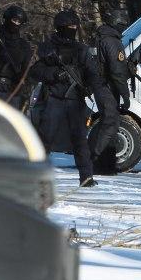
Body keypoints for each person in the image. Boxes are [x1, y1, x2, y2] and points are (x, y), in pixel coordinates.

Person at [31, 10, 102, 186]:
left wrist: (91, 87)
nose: (73, 29)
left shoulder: (81, 50)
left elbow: (93, 73)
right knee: (45, 139)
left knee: (80, 140)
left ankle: (86, 177)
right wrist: (54, 74)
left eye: (74, 26)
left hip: (75, 99)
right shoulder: (49, 48)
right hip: (53, 98)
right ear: (60, 27)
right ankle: (37, 175)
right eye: (69, 26)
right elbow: (35, 71)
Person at [88, 5, 132, 176]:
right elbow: (117, 71)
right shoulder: (112, 42)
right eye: (123, 24)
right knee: (110, 124)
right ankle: (98, 162)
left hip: (101, 86)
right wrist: (125, 95)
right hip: (107, 88)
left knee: (109, 123)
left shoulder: (102, 38)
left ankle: (105, 164)